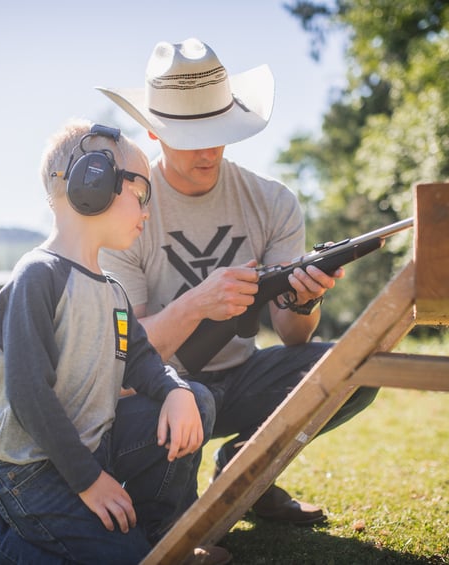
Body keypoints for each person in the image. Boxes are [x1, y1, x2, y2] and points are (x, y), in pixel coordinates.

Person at [0, 120, 231, 565]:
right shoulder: (38, 276)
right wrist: (88, 480)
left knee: (194, 399)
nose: (146, 211)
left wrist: (174, 390)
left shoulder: (113, 290)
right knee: (119, 560)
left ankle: (164, 543)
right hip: (31, 470)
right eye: (141, 195)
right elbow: (28, 393)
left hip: (92, 449)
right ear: (92, 182)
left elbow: (141, 361)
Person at [95, 38, 379, 526]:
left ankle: (246, 473)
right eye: (191, 136)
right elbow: (127, 355)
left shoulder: (272, 201)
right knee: (189, 401)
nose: (208, 151)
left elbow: (293, 335)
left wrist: (303, 298)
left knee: (354, 368)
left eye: (219, 130)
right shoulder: (126, 212)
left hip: (244, 378)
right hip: (157, 388)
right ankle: (171, 523)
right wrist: (199, 304)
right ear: (153, 133)